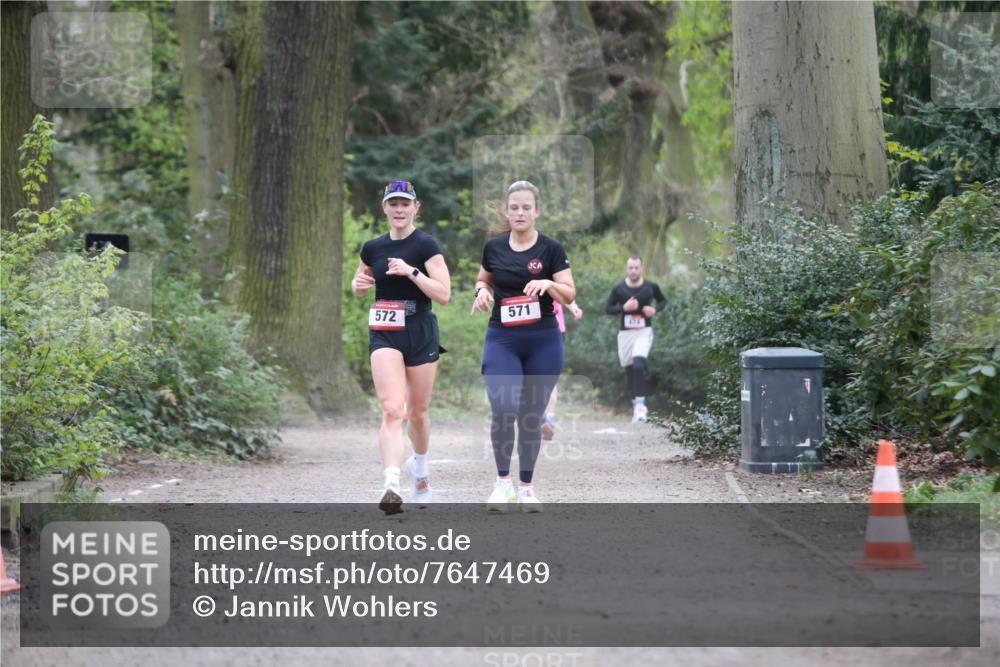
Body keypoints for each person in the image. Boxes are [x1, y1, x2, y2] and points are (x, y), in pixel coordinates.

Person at [471, 180, 576, 512]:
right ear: (507, 211)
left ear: (536, 211)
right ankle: (502, 484)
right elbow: (483, 278)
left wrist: (548, 282)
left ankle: (527, 488)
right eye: (514, 207)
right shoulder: (494, 247)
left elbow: (570, 293)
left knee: (530, 416)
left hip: (543, 340)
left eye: (526, 207)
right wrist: (481, 293)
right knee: (503, 410)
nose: (519, 212)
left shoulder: (551, 249)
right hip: (503, 338)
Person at [351, 180, 451, 514]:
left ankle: (419, 469)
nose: (398, 210)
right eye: (393, 204)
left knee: (418, 413)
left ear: (415, 208)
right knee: (393, 409)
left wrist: (412, 272)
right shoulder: (373, 247)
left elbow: (444, 293)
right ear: (384, 208)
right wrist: (358, 285)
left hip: (420, 329)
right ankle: (391, 483)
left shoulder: (426, 245)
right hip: (385, 331)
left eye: (404, 204)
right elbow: (360, 280)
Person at [605, 255, 666, 422]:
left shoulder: (650, 287)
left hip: (643, 331)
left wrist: (654, 310)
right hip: (625, 334)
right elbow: (608, 309)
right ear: (627, 269)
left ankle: (640, 406)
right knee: (630, 369)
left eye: (636, 268)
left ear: (641, 268)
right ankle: (635, 405)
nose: (633, 271)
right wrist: (623, 308)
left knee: (639, 364)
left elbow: (663, 301)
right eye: (630, 268)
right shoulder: (619, 289)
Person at [541, 300, 583, 440]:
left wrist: (574, 308)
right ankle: (544, 416)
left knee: (550, 375)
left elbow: (564, 292)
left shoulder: (550, 277)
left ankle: (548, 416)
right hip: (531, 330)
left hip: (555, 329)